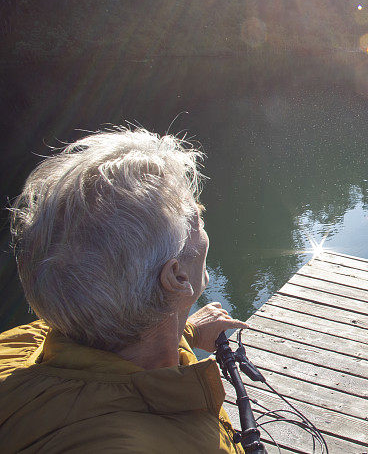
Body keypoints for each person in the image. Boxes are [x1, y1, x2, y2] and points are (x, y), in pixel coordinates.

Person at [0, 127, 250, 452]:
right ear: (177, 277)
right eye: (197, 219)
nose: (204, 228)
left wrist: (185, 330)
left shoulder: (24, 343)